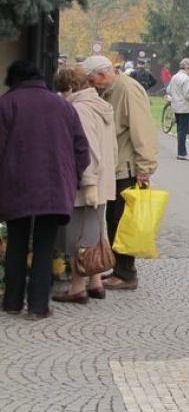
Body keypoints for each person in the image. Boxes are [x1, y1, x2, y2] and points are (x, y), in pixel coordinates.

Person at [0, 60, 90, 320]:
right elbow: (81, 149)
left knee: (16, 242)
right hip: (53, 187)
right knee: (44, 245)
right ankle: (38, 306)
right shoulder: (63, 105)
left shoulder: (6, 104)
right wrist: (71, 178)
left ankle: (13, 302)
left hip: (15, 186)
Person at [81, 55, 158, 291]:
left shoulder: (127, 90)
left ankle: (126, 273)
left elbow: (142, 130)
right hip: (115, 167)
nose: (92, 85)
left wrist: (145, 169)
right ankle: (119, 269)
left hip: (128, 168)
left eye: (93, 80)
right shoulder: (110, 90)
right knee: (113, 220)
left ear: (103, 74)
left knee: (121, 221)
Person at [51, 65, 117, 304]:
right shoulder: (101, 106)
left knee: (78, 237)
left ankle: (77, 287)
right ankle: (96, 282)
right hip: (104, 180)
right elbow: (111, 148)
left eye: (62, 91)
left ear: (69, 88)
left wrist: (88, 182)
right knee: (94, 233)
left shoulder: (79, 108)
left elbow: (88, 149)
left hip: (88, 183)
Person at [167, 58, 189, 160]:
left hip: (176, 106)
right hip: (184, 107)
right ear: (187, 67)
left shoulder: (174, 77)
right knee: (183, 131)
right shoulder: (186, 79)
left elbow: (169, 89)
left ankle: (181, 151)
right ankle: (182, 153)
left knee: (180, 130)